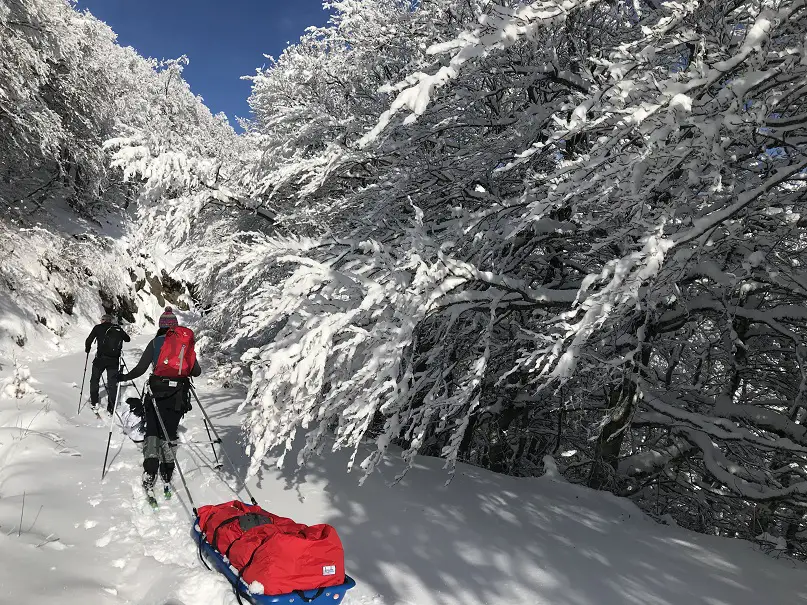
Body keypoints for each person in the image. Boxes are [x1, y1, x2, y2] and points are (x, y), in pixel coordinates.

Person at [117, 307, 201, 495]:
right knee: (170, 430)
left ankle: (151, 468)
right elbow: (196, 371)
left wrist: (123, 377)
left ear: (160, 326)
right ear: (175, 327)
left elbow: (140, 369)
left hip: (156, 391)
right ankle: (168, 469)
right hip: (178, 393)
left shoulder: (155, 343)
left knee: (153, 429)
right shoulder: (183, 345)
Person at [85, 314, 130, 414]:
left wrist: (87, 349)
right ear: (111, 321)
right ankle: (111, 407)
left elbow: (88, 340)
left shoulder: (98, 328)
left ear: (103, 320)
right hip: (114, 360)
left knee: (94, 379)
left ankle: (94, 402)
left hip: (100, 359)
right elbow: (127, 339)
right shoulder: (117, 328)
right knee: (112, 383)